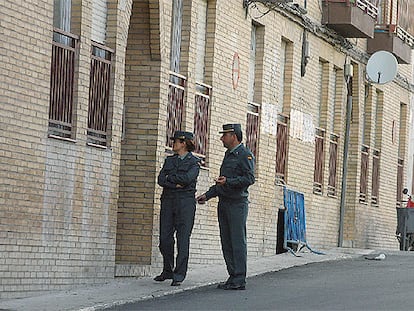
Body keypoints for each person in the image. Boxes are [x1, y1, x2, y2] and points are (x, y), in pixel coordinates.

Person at [197, 124, 255, 290]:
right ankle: (232, 275)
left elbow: (249, 179)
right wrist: (207, 195)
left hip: (237, 204)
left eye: (225, 135)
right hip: (224, 202)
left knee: (237, 241)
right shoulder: (228, 155)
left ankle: (239, 278)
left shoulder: (245, 155)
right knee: (227, 241)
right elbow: (222, 180)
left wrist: (229, 182)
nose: (222, 138)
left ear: (234, 136)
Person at [154, 131, 201, 286]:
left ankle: (179, 274)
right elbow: (161, 179)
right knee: (164, 239)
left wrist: (171, 179)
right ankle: (168, 269)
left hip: (185, 203)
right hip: (168, 201)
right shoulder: (169, 161)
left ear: (184, 143)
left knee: (182, 239)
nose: (173, 143)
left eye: (176, 141)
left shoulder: (193, 162)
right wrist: (175, 183)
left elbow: (188, 179)